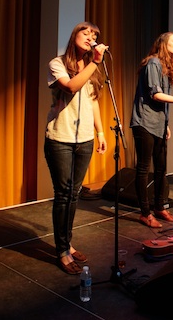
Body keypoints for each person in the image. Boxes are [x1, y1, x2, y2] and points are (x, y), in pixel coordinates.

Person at [44, 21, 108, 275]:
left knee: (75, 194)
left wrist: (100, 131)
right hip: (60, 137)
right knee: (63, 194)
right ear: (75, 35)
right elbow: (70, 86)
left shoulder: (93, 68)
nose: (91, 37)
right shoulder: (57, 63)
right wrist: (95, 61)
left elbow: (92, 102)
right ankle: (61, 250)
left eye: (95, 35)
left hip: (84, 140)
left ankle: (67, 244)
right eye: (86, 32)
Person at [130, 32, 173, 228]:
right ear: (163, 44)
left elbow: (161, 102)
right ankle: (145, 213)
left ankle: (159, 206)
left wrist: (166, 123)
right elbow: (156, 95)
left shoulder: (166, 66)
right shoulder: (153, 63)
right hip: (144, 122)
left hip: (159, 123)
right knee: (144, 168)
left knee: (161, 168)